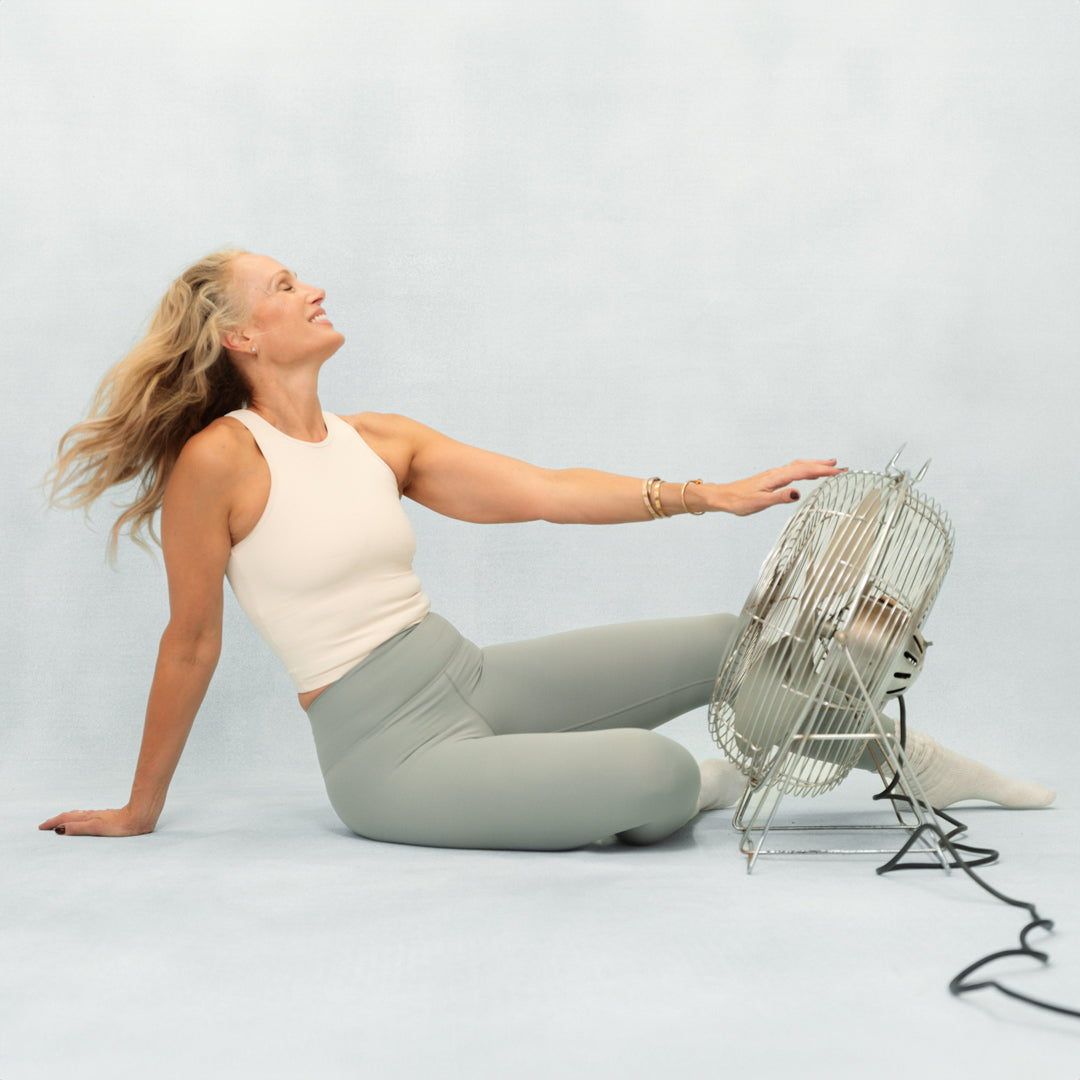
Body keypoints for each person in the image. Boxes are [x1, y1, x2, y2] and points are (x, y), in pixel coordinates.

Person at [38, 251, 1055, 850]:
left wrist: (707, 495)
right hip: (389, 755)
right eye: (285, 284)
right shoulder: (218, 460)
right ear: (240, 337)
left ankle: (909, 764)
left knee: (729, 641)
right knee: (657, 776)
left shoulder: (377, 439)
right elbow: (190, 641)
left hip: (468, 678)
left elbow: (545, 491)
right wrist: (139, 808)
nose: (313, 290)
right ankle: (720, 778)